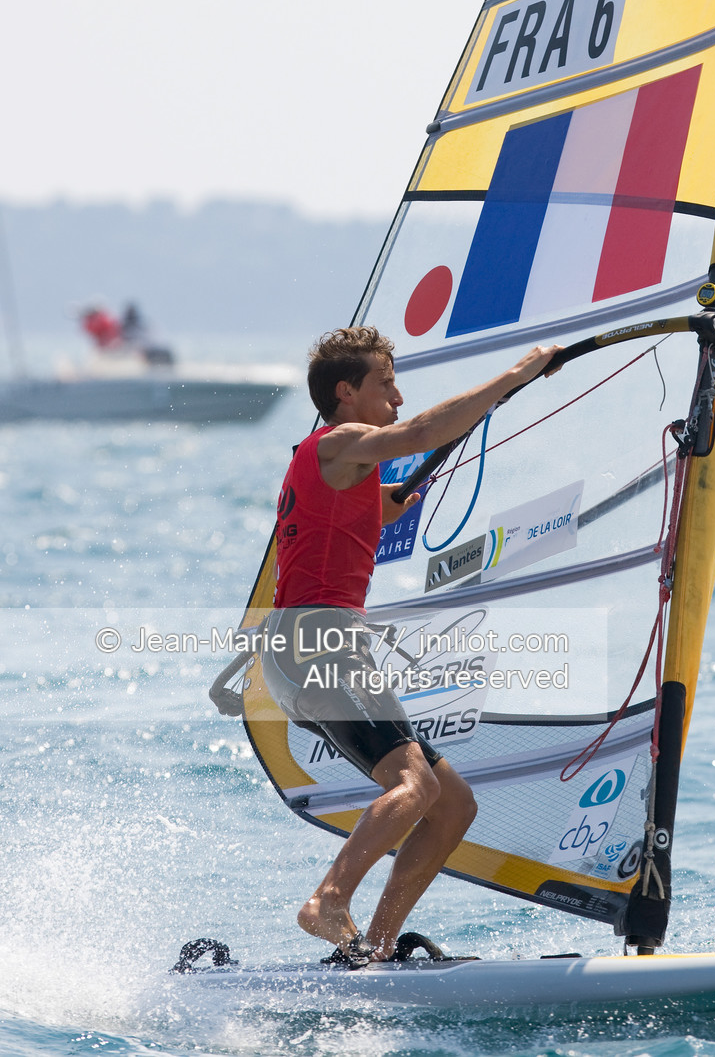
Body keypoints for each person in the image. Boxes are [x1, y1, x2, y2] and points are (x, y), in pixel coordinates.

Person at [259, 325, 560, 965]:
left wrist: (381, 506)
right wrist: (515, 377)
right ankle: (328, 901)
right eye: (385, 384)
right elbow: (421, 433)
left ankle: (377, 948)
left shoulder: (339, 467)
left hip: (311, 650)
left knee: (452, 805)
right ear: (345, 393)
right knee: (412, 786)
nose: (397, 397)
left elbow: (345, 514)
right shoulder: (336, 443)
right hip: (317, 643)